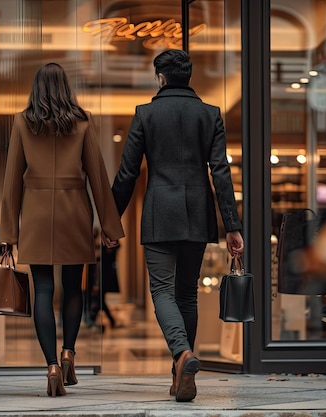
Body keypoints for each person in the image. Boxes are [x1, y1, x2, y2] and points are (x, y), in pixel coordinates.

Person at [111, 49, 244, 402]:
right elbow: (221, 172)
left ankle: (182, 354)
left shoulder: (146, 114)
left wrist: (110, 220)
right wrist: (232, 224)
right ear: (188, 76)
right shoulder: (210, 114)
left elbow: (127, 173)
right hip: (197, 213)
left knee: (162, 291)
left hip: (159, 212)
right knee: (186, 294)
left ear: (161, 77)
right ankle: (181, 374)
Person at [0, 63, 124, 397]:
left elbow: (12, 179)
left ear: (35, 88)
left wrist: (8, 235)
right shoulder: (82, 122)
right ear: (66, 88)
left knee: (42, 289)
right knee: (73, 288)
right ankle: (69, 352)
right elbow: (97, 175)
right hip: (74, 213)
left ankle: (52, 365)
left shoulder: (23, 122)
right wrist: (110, 225)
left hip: (37, 214)